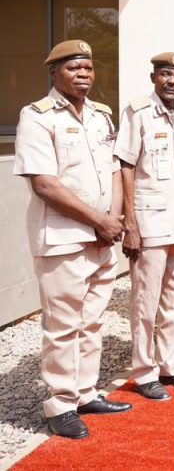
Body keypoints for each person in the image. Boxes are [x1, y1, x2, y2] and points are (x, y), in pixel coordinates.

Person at [13, 39, 130, 439]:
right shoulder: (36, 117)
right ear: (54, 73)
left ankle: (85, 392)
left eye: (88, 68)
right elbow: (45, 184)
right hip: (63, 238)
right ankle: (60, 404)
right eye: (73, 68)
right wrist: (101, 221)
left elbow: (114, 170)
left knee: (92, 320)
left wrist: (112, 219)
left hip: (101, 236)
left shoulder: (100, 115)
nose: (83, 74)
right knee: (63, 325)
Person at [115, 52, 174, 400]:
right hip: (148, 222)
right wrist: (130, 223)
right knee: (145, 302)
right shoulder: (138, 112)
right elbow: (125, 166)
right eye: (165, 74)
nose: (172, 81)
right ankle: (143, 372)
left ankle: (170, 365)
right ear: (154, 78)